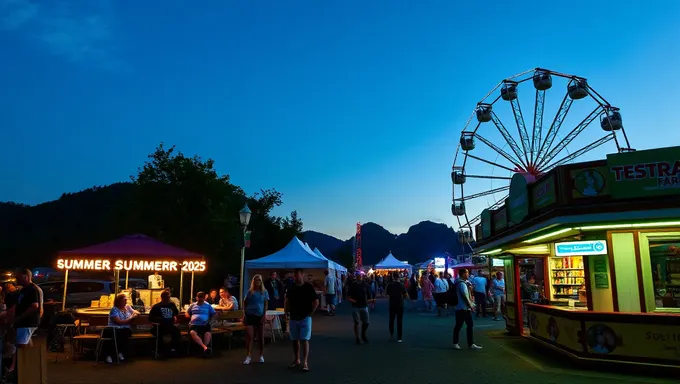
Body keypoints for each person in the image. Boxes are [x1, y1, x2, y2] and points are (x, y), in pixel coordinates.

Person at [285, 268, 319, 372]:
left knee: (305, 340)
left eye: (297, 275)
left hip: (305, 317)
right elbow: (287, 300)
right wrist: (286, 311)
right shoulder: (291, 288)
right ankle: (297, 360)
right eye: (294, 276)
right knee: (295, 340)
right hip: (294, 317)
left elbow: (316, 301)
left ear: (302, 275)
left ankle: (305, 362)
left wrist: (310, 313)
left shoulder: (308, 287)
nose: (295, 278)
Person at [452, 269, 482, 350]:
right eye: (466, 273)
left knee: (466, 325)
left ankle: (469, 343)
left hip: (462, 308)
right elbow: (465, 296)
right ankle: (458, 343)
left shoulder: (461, 282)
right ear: (462, 274)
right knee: (460, 325)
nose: (468, 274)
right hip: (462, 308)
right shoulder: (461, 284)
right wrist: (471, 306)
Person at [242, 275, 269, 365]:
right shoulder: (250, 292)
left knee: (260, 337)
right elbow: (245, 303)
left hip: (260, 315)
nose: (258, 281)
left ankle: (261, 355)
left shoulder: (264, 292)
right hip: (250, 315)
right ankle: (248, 356)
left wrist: (265, 314)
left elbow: (265, 304)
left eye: (259, 280)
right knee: (250, 337)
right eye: (256, 280)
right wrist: (244, 315)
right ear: (254, 281)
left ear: (261, 282)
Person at [106, 293, 139, 363]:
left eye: (126, 300)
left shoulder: (127, 307)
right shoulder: (114, 309)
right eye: (124, 300)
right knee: (119, 335)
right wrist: (130, 318)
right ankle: (114, 353)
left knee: (124, 333)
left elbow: (137, 312)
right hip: (115, 329)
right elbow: (119, 322)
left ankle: (117, 353)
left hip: (125, 329)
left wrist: (134, 315)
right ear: (119, 301)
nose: (126, 302)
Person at [14, 269, 43, 348]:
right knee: (27, 346)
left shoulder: (32, 289)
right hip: (24, 322)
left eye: (18, 277)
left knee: (22, 346)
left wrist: (20, 317)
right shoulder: (24, 289)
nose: (16, 279)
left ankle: (26, 360)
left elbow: (34, 306)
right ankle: (31, 359)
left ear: (25, 277)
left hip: (27, 322)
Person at [149, 290, 180, 356]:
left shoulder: (171, 305)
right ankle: (159, 351)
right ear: (162, 298)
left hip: (170, 325)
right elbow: (150, 318)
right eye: (167, 297)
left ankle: (173, 349)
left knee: (177, 332)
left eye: (169, 297)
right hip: (159, 326)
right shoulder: (157, 306)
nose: (168, 299)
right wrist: (159, 320)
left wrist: (174, 317)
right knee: (159, 334)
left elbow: (176, 313)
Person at [347, 272, 375, 344]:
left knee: (366, 322)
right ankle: (358, 338)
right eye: (358, 276)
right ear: (356, 277)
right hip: (355, 306)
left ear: (362, 277)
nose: (359, 277)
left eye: (360, 276)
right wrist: (354, 301)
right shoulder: (353, 285)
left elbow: (370, 295)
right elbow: (348, 297)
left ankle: (363, 334)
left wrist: (371, 301)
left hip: (364, 306)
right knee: (356, 322)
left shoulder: (366, 285)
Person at [186, 291, 216, 356]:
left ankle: (204, 349)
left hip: (204, 324)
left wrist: (210, 320)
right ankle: (205, 347)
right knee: (192, 333)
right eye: (199, 297)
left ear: (204, 297)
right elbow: (187, 312)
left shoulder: (208, 305)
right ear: (197, 297)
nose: (200, 298)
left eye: (201, 297)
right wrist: (188, 316)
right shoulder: (193, 305)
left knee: (207, 333)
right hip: (194, 324)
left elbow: (214, 314)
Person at [386, 271, 410, 342]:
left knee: (391, 320)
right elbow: (405, 295)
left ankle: (391, 334)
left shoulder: (389, 285)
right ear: (399, 277)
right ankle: (399, 337)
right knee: (399, 321)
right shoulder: (401, 285)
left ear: (393, 277)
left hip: (392, 304)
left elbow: (386, 294)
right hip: (400, 304)